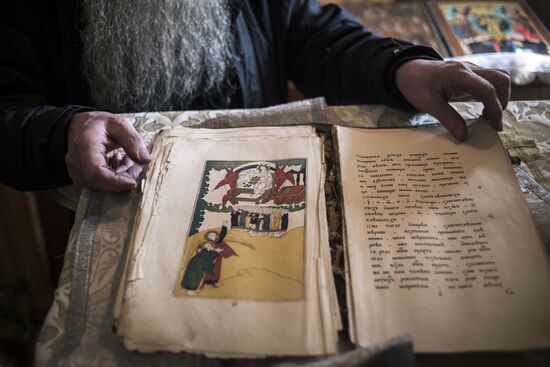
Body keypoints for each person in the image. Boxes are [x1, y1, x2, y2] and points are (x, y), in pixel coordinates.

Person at [0, 1, 510, 193]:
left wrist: (403, 67)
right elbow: (9, 110)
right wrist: (65, 129)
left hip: (259, 181)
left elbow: (309, 33)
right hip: (114, 192)